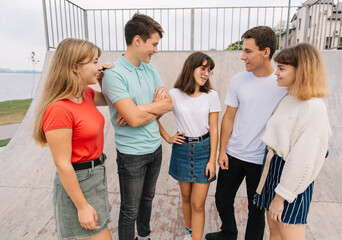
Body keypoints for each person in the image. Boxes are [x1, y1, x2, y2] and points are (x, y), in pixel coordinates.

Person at [205, 26, 287, 240]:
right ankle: (228, 232)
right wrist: (222, 151)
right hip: (233, 154)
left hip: (261, 160)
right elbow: (229, 117)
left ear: (266, 52)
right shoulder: (239, 80)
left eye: (248, 51)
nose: (243, 57)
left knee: (256, 210)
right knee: (222, 199)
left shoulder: (282, 83)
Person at [32, 38, 113, 240]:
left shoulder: (85, 94)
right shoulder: (59, 109)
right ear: (75, 67)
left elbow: (110, 99)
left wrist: (101, 76)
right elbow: (62, 164)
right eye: (94, 61)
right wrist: (82, 206)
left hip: (96, 176)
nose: (99, 65)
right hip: (77, 183)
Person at [101, 13, 173, 240]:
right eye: (154, 44)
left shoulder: (149, 69)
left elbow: (169, 104)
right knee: (130, 209)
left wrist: (138, 108)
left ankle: (144, 237)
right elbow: (132, 120)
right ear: (137, 40)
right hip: (131, 154)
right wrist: (153, 108)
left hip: (155, 149)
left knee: (148, 200)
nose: (156, 50)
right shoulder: (114, 75)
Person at [253, 43, 332, 240]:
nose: (276, 73)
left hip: (291, 178)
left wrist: (281, 197)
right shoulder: (290, 98)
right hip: (275, 170)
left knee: (289, 233)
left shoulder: (314, 107)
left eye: (282, 68)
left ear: (302, 70)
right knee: (275, 231)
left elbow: (303, 159)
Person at [157, 52, 221, 240]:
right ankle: (189, 231)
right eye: (203, 68)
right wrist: (168, 137)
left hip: (204, 152)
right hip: (182, 151)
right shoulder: (174, 94)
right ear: (190, 68)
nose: (206, 74)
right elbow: (154, 117)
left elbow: (214, 130)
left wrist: (212, 160)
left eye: (209, 71)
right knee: (185, 197)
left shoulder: (211, 95)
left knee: (198, 204)